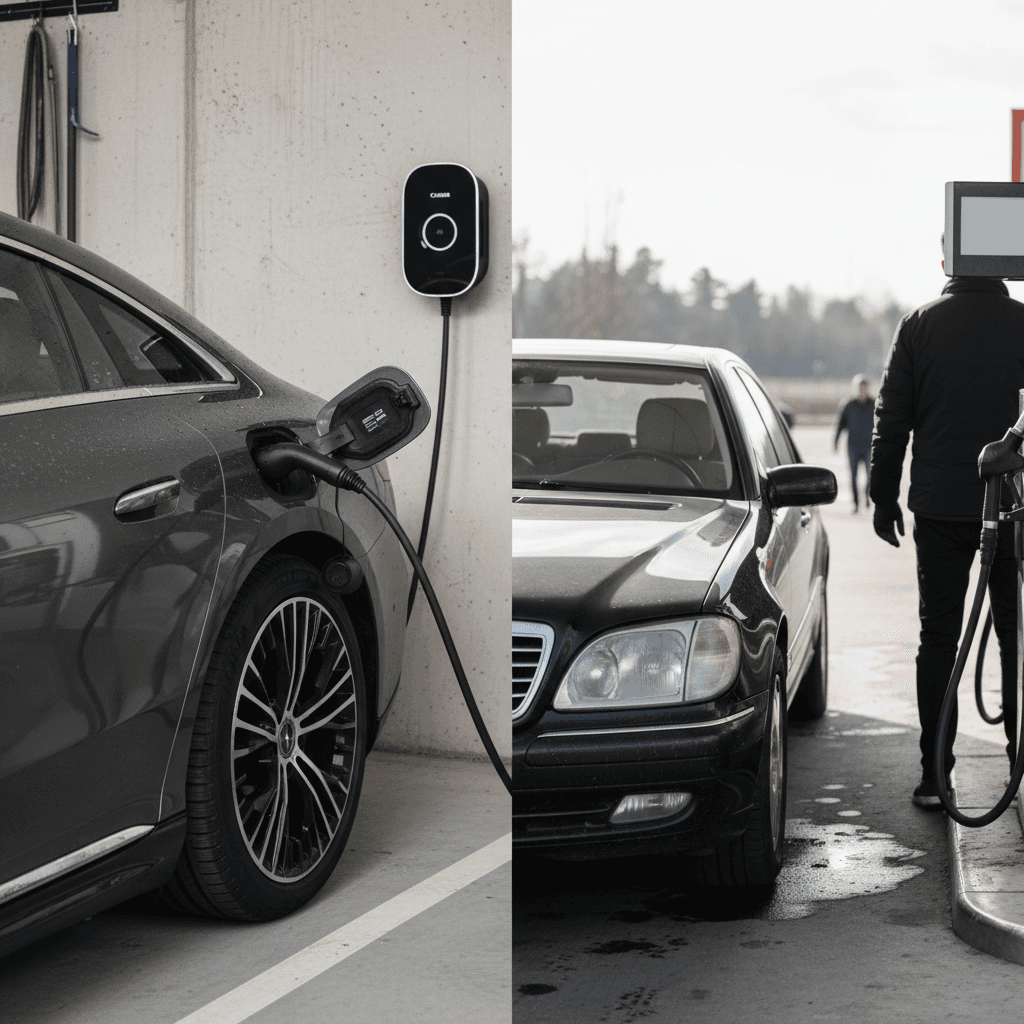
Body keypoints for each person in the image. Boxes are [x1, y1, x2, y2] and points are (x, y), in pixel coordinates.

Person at [870, 242, 1024, 809]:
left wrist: (882, 496)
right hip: (1013, 510)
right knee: (1015, 639)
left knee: (939, 638)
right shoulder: (1022, 324)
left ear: (947, 264)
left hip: (938, 509)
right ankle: (1017, 766)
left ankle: (936, 777)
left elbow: (892, 419)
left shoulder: (918, 325)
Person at [834, 374, 875, 513]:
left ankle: (867, 497)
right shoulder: (848, 405)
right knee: (853, 476)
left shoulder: (875, 405)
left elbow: (882, 425)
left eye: (865, 388)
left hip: (869, 446)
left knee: (870, 475)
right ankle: (856, 503)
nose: (862, 391)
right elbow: (840, 425)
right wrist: (836, 441)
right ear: (855, 389)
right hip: (853, 446)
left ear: (868, 389)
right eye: (859, 388)